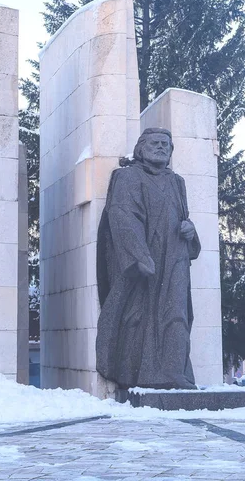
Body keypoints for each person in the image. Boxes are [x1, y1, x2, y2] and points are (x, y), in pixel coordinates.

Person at [96, 127, 201, 389]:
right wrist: (137, 256)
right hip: (145, 262)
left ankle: (174, 373)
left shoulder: (177, 182)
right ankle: (136, 375)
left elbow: (182, 218)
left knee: (177, 313)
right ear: (141, 148)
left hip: (175, 258)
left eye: (166, 144)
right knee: (137, 317)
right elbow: (121, 216)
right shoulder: (128, 177)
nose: (161, 147)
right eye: (154, 142)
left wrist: (191, 231)